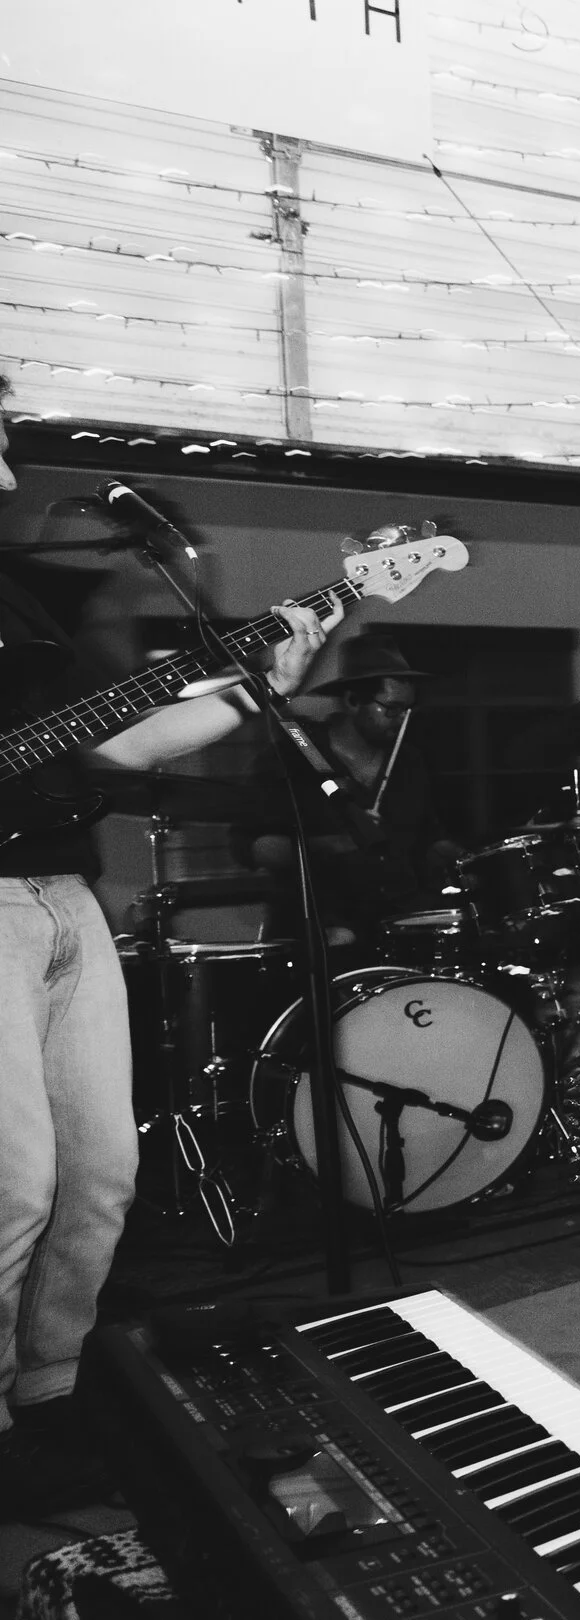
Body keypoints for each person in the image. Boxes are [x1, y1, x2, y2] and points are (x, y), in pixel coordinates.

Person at [0, 385, 336, 1517]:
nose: (9, 472)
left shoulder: (16, 600)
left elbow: (122, 740)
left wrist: (260, 690)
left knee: (101, 1172)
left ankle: (50, 1393)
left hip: (63, 894)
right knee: (12, 1186)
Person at [237, 633, 462, 954]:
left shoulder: (409, 762)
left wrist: (467, 860)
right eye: (392, 709)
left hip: (397, 923)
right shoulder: (296, 757)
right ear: (353, 701)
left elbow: (428, 836)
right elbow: (253, 846)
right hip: (319, 928)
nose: (401, 721)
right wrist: (331, 844)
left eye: (407, 711)